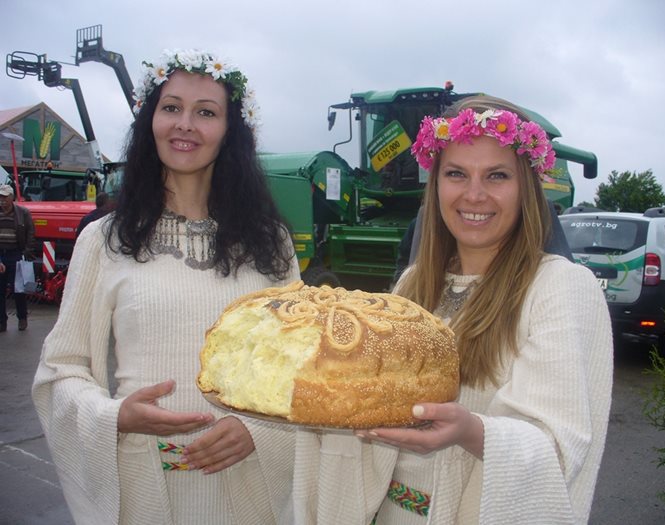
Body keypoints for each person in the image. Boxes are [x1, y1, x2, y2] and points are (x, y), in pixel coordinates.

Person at [293, 95, 613, 524]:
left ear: (526, 188)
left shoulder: (560, 287)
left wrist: (471, 431)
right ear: (436, 184)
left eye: (497, 175)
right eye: (457, 174)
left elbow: (560, 444)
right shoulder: (413, 284)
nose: (474, 195)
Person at [32, 50, 300, 524]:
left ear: (230, 131)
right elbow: (61, 370)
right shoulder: (104, 239)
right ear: (149, 119)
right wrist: (115, 416)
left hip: (250, 495)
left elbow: (304, 369)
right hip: (144, 497)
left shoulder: (269, 242)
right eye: (171, 107)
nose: (185, 125)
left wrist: (259, 429)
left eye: (206, 112)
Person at [0, 183, 35, 332]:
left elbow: (30, 233)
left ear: (12, 198)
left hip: (16, 254)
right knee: (0, 291)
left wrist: (26, 252)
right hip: (1, 255)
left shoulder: (23, 213)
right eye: (0, 198)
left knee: (18, 289)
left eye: (4, 198)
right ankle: (2, 322)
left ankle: (22, 317)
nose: (2, 201)